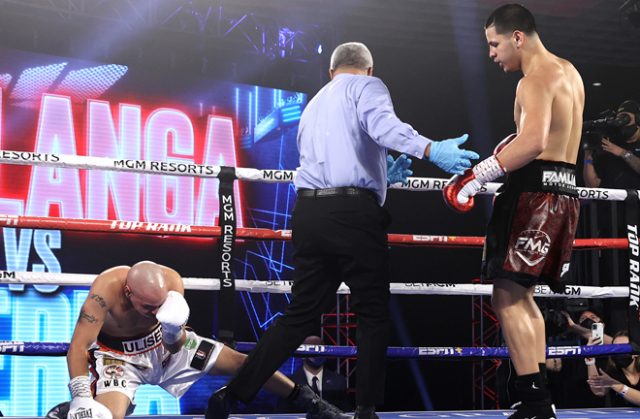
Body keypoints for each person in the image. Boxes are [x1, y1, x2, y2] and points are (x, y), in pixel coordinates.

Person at [206, 41, 478, 419]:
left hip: (310, 213)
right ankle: (366, 409)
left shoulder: (314, 103)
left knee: (299, 314)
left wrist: (381, 177)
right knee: (371, 311)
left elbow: (335, 158)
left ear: (331, 71)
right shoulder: (368, 86)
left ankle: (232, 395)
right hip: (353, 215)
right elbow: (384, 127)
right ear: (368, 68)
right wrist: (431, 149)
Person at [444, 4, 584, 418]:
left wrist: (476, 176)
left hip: (534, 195)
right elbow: (552, 137)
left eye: (494, 43)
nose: (491, 53)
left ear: (517, 37)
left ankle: (536, 403)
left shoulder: (534, 78)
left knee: (505, 296)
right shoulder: (569, 72)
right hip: (563, 192)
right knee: (523, 297)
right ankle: (537, 397)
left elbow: (535, 141)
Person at [48, 261, 332, 419]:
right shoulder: (105, 288)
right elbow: (79, 346)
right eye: (148, 308)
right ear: (127, 292)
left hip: (166, 346)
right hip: (118, 358)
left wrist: (172, 332)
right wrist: (81, 397)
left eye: (160, 306)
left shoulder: (172, 282)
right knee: (104, 418)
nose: (155, 312)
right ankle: (75, 407)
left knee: (245, 363)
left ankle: (310, 402)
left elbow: (174, 343)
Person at [280, 336, 351, 412]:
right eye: (313, 349)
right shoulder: (289, 383)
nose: (318, 352)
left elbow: (345, 412)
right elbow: (282, 413)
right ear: (302, 354)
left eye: (320, 348)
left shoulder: (338, 381)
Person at [583, 100, 640, 190]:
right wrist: (587, 157)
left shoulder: (615, 148)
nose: (622, 122)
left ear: (638, 119)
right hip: (611, 202)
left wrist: (622, 153)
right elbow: (592, 185)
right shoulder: (609, 143)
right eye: (620, 118)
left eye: (626, 118)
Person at [587, 330, 640, 406]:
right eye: (615, 347)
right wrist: (590, 357)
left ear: (635, 353)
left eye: (623, 347)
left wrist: (615, 385)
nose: (618, 351)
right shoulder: (613, 371)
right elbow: (599, 391)